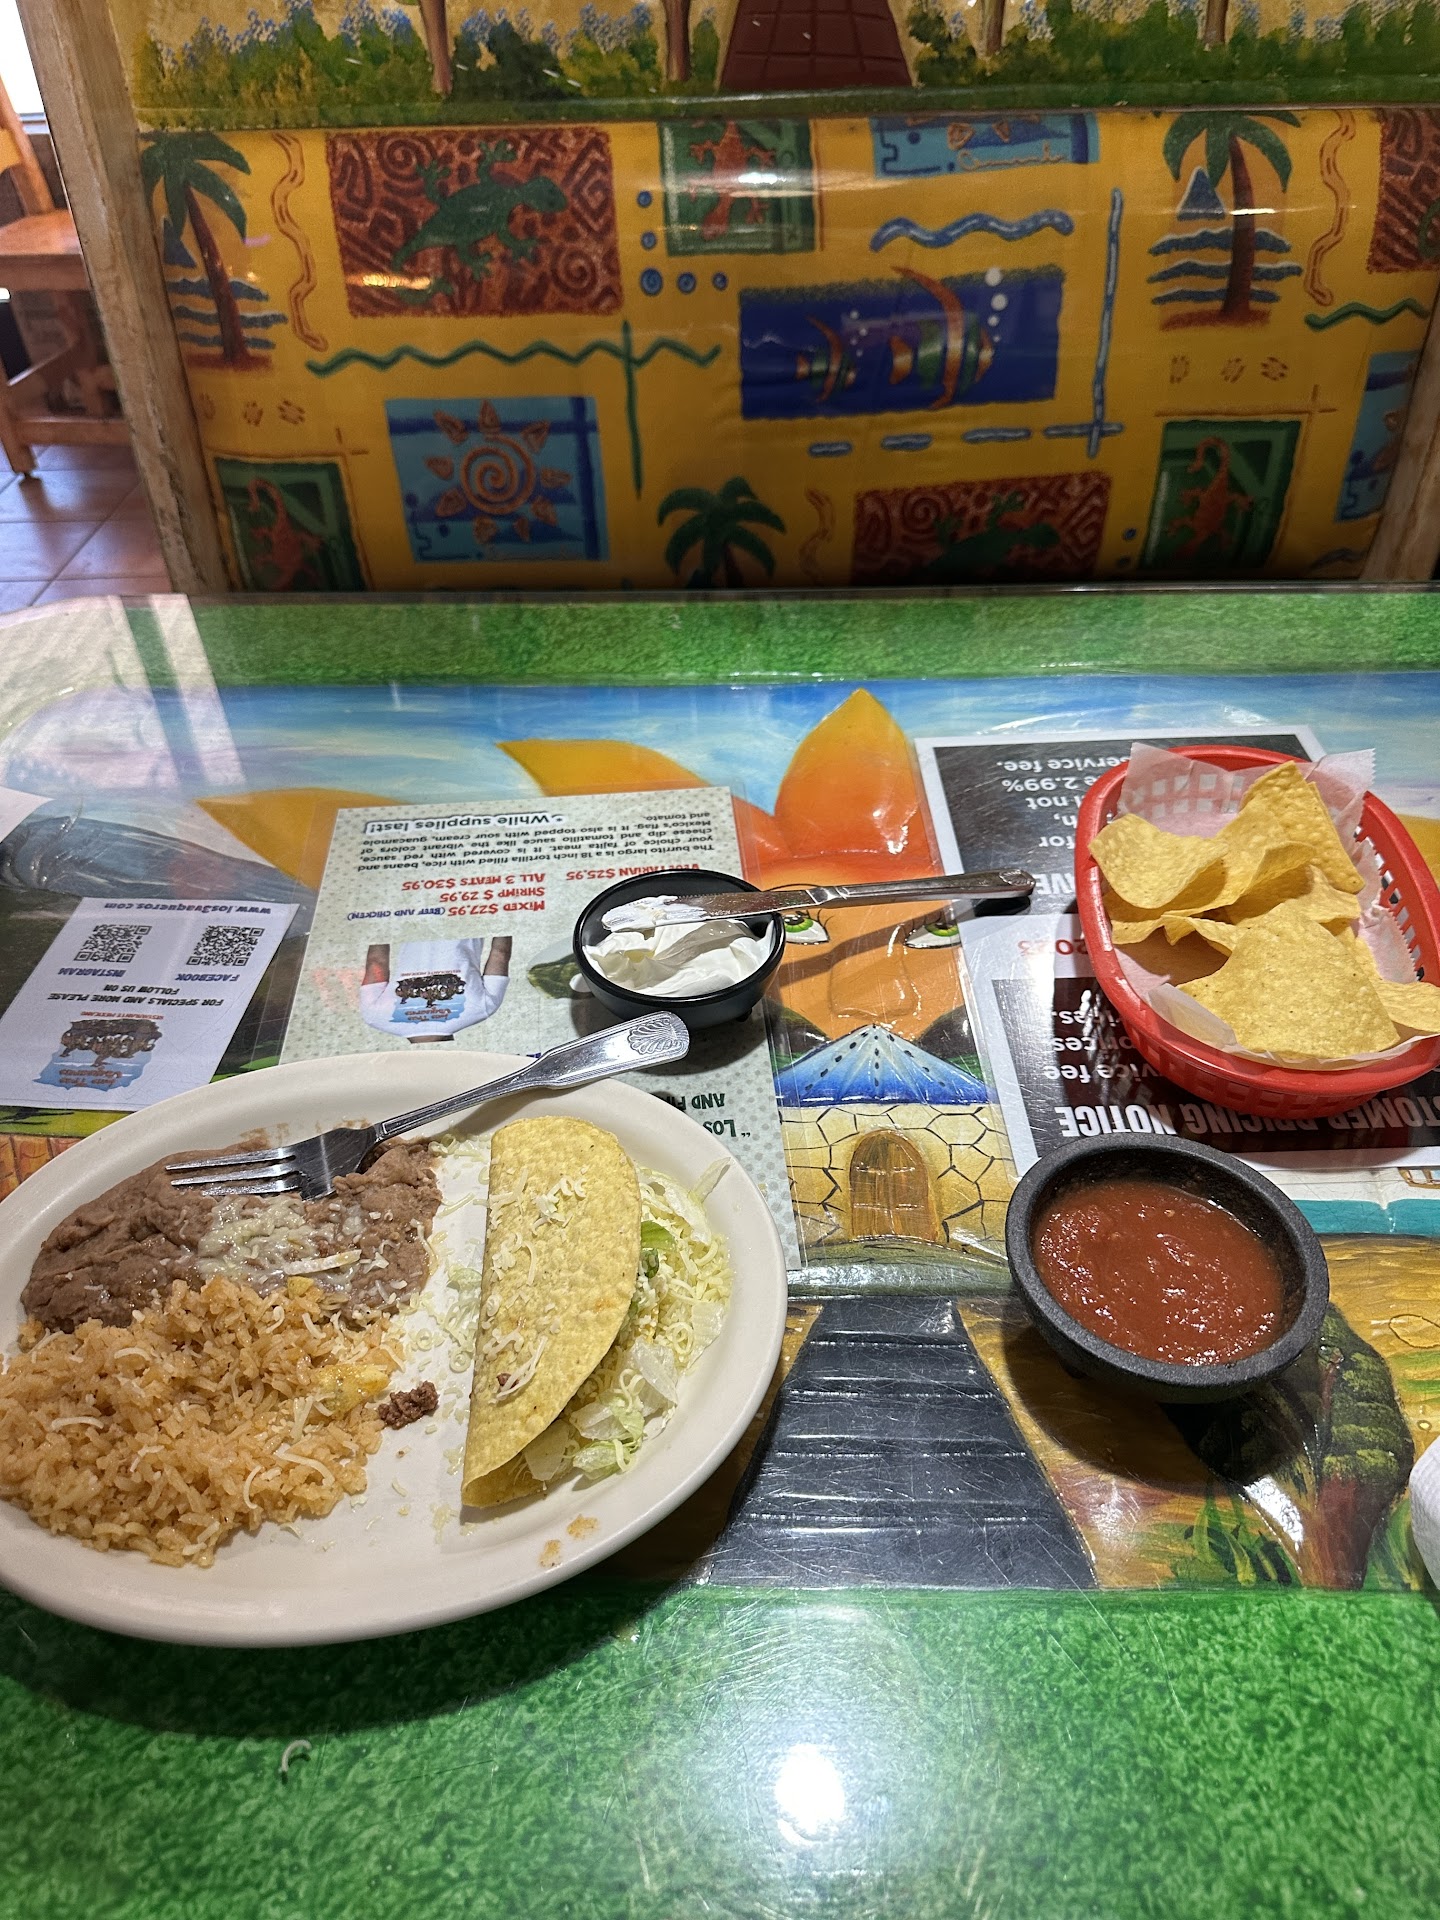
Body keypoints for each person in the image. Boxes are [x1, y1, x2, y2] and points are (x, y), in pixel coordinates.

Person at [358, 936, 512, 1042]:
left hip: (461, 919)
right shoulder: (375, 1016)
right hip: (413, 922)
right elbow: (375, 962)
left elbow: (500, 954)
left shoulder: (481, 1009)